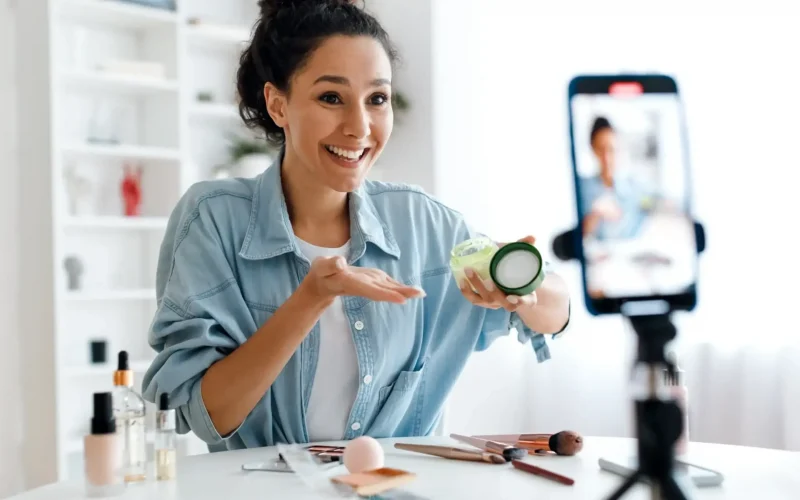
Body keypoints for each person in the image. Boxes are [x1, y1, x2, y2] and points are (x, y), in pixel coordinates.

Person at [141, 0, 570, 452]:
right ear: (278, 104)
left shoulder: (422, 223)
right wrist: (312, 297)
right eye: (331, 98)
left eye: (377, 99)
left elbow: (553, 316)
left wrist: (524, 285)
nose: (360, 127)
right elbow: (206, 415)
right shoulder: (213, 219)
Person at [580, 116, 648, 241]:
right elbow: (579, 237)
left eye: (611, 149)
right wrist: (595, 214)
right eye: (601, 149)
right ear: (593, 149)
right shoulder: (582, 187)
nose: (606, 157)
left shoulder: (636, 187)